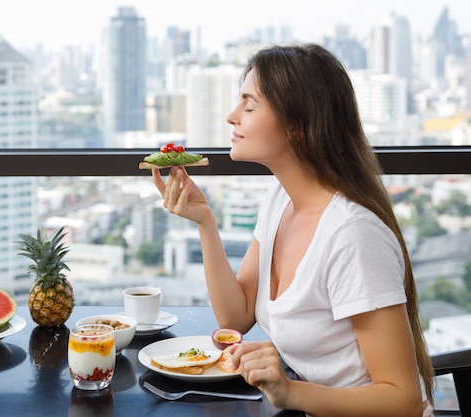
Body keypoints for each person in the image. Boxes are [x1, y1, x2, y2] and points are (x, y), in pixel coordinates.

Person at [151, 43, 435, 417]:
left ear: (296, 127)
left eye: (249, 106)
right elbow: (235, 319)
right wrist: (205, 221)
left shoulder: (353, 235)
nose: (232, 116)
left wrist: (291, 392)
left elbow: (403, 400)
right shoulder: (279, 199)